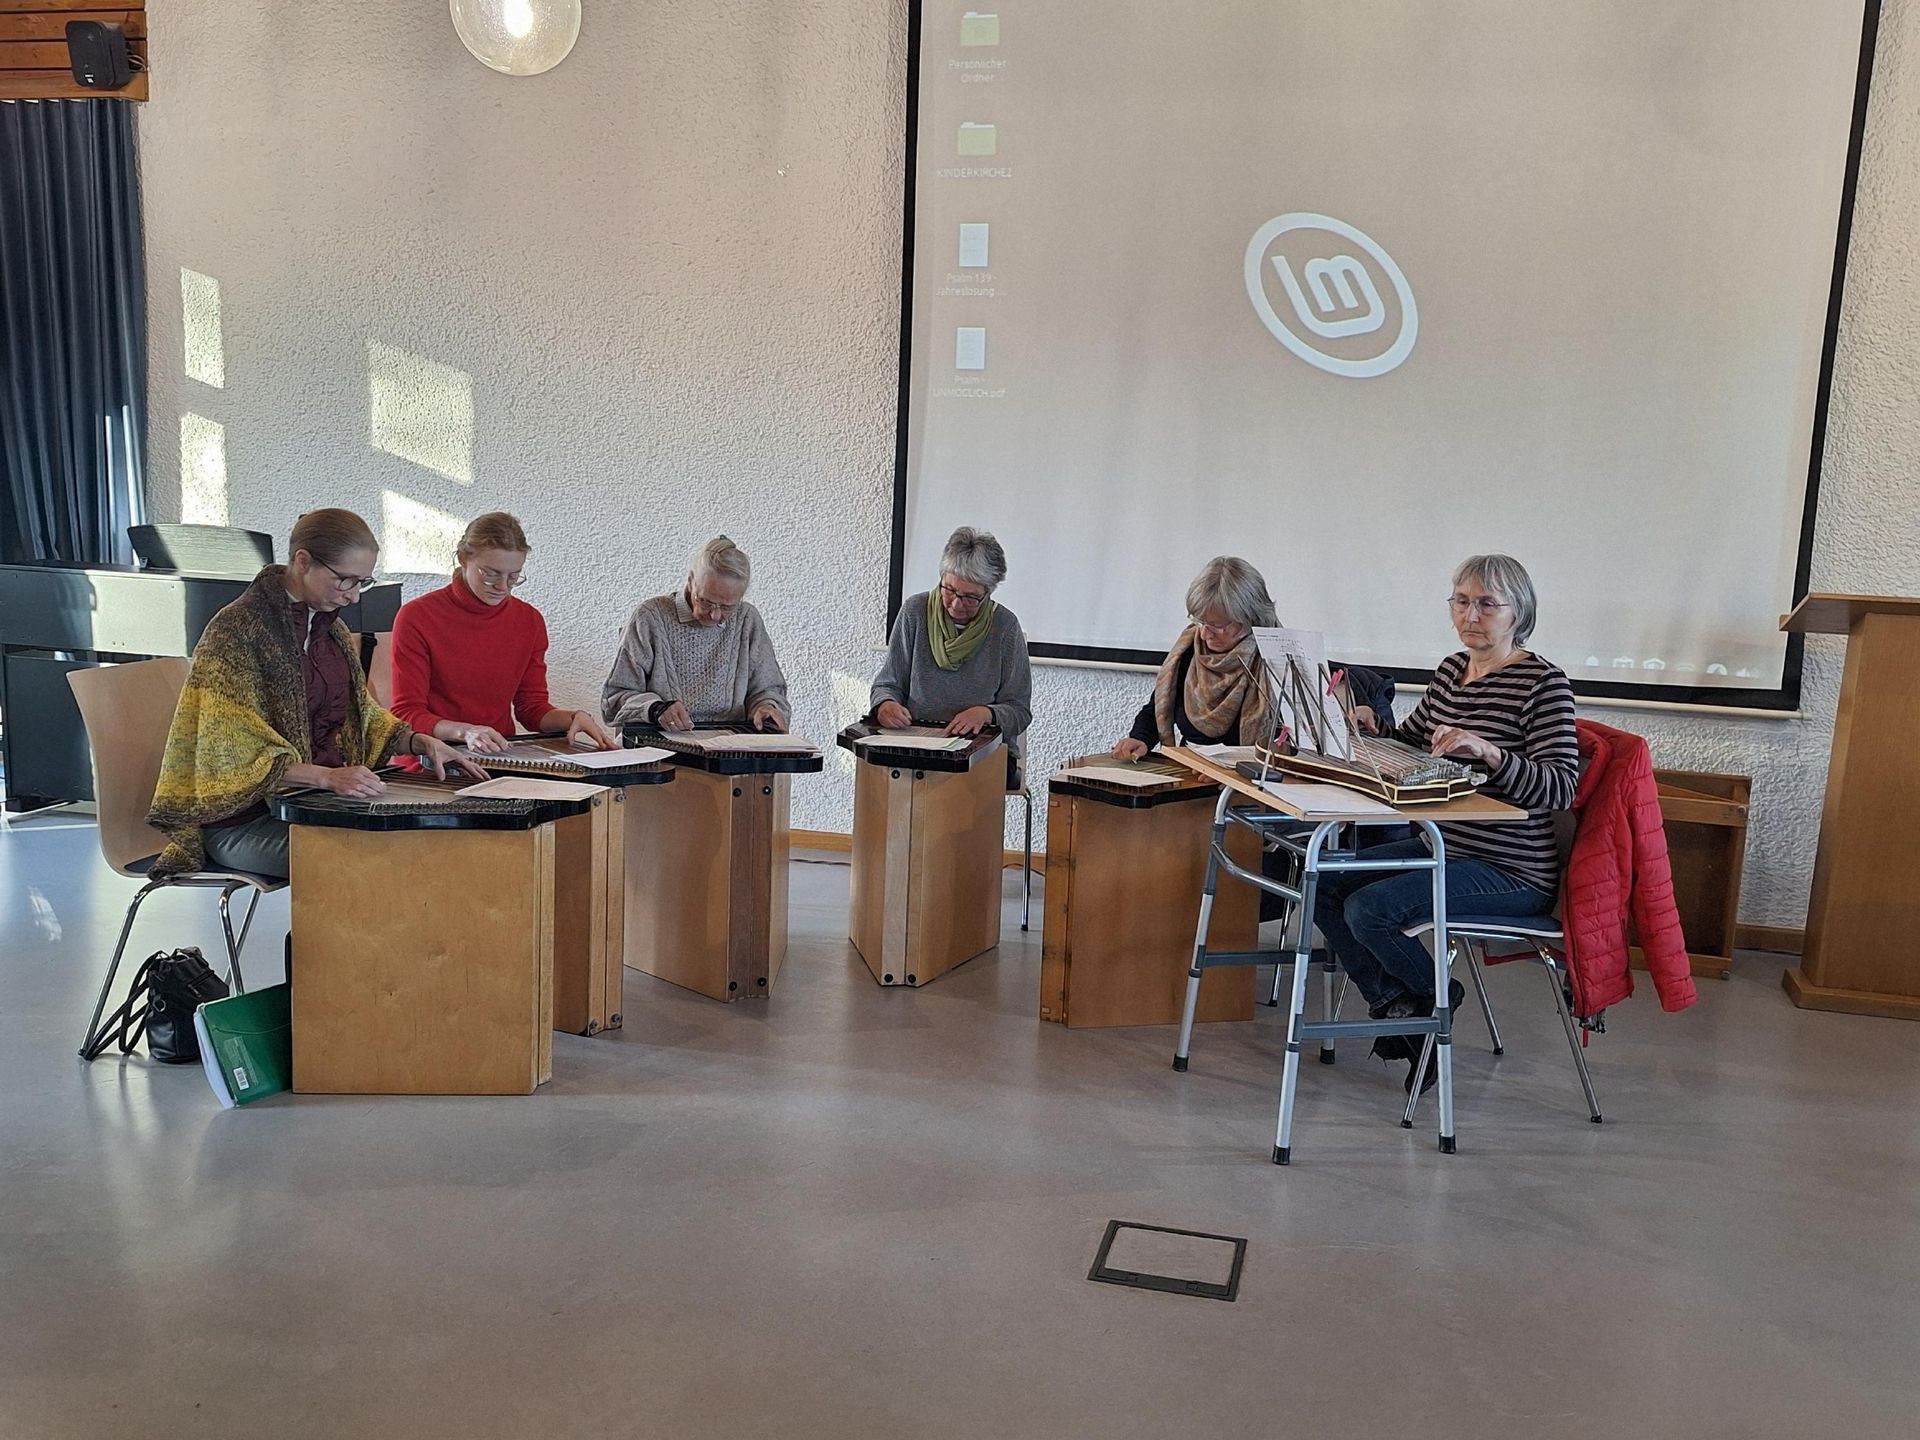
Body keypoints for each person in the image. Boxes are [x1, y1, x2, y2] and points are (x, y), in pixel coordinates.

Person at [1311, 553, 1578, 1093]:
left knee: (1369, 909)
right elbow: (1414, 744)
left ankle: (1429, 1003)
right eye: (1461, 602)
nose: (1470, 615)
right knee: (1323, 881)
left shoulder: (1543, 683)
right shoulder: (1453, 670)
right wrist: (1374, 725)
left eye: (1487, 604)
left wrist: (1491, 753)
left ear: (1519, 612)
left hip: (1512, 871)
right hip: (1446, 847)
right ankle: (1404, 1004)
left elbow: (1560, 787)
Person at [147, 508, 484, 881]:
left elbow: (362, 715)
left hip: (313, 805)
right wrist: (326, 777)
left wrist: (420, 742)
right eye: (345, 581)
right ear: (303, 561)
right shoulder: (235, 631)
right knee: (382, 860)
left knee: (434, 839)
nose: (353, 597)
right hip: (242, 822)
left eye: (362, 583)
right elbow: (228, 753)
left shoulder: (330, 630)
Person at [1112, 556, 1394, 757]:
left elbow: (1335, 688)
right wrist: (1140, 738)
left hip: (1250, 786)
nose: (1204, 634)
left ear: (1249, 619)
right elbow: (1157, 708)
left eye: (1217, 626)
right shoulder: (1187, 651)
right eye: (1199, 621)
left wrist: (1359, 705)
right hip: (1193, 778)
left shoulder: (1280, 657)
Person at [387, 511, 617, 757]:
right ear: (463, 559)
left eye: (513, 576)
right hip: (432, 760)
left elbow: (531, 708)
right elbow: (407, 714)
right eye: (491, 574)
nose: (502, 586)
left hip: (498, 757)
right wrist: (465, 732)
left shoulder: (528, 620)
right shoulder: (418, 616)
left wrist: (573, 717)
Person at [870, 527, 1031, 768]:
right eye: (949, 589)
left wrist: (986, 714)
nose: (956, 604)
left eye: (970, 597)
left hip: (981, 755)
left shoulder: (1005, 627)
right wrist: (885, 705)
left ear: (987, 592)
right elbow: (886, 685)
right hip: (916, 747)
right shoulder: (915, 612)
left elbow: (1019, 711)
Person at [602, 535, 790, 733]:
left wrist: (767, 707)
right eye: (706, 601)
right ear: (691, 581)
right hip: (661, 741)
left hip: (730, 744)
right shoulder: (650, 617)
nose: (715, 615)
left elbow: (769, 689)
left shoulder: (747, 619)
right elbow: (613, 699)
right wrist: (656, 709)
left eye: (727, 607)